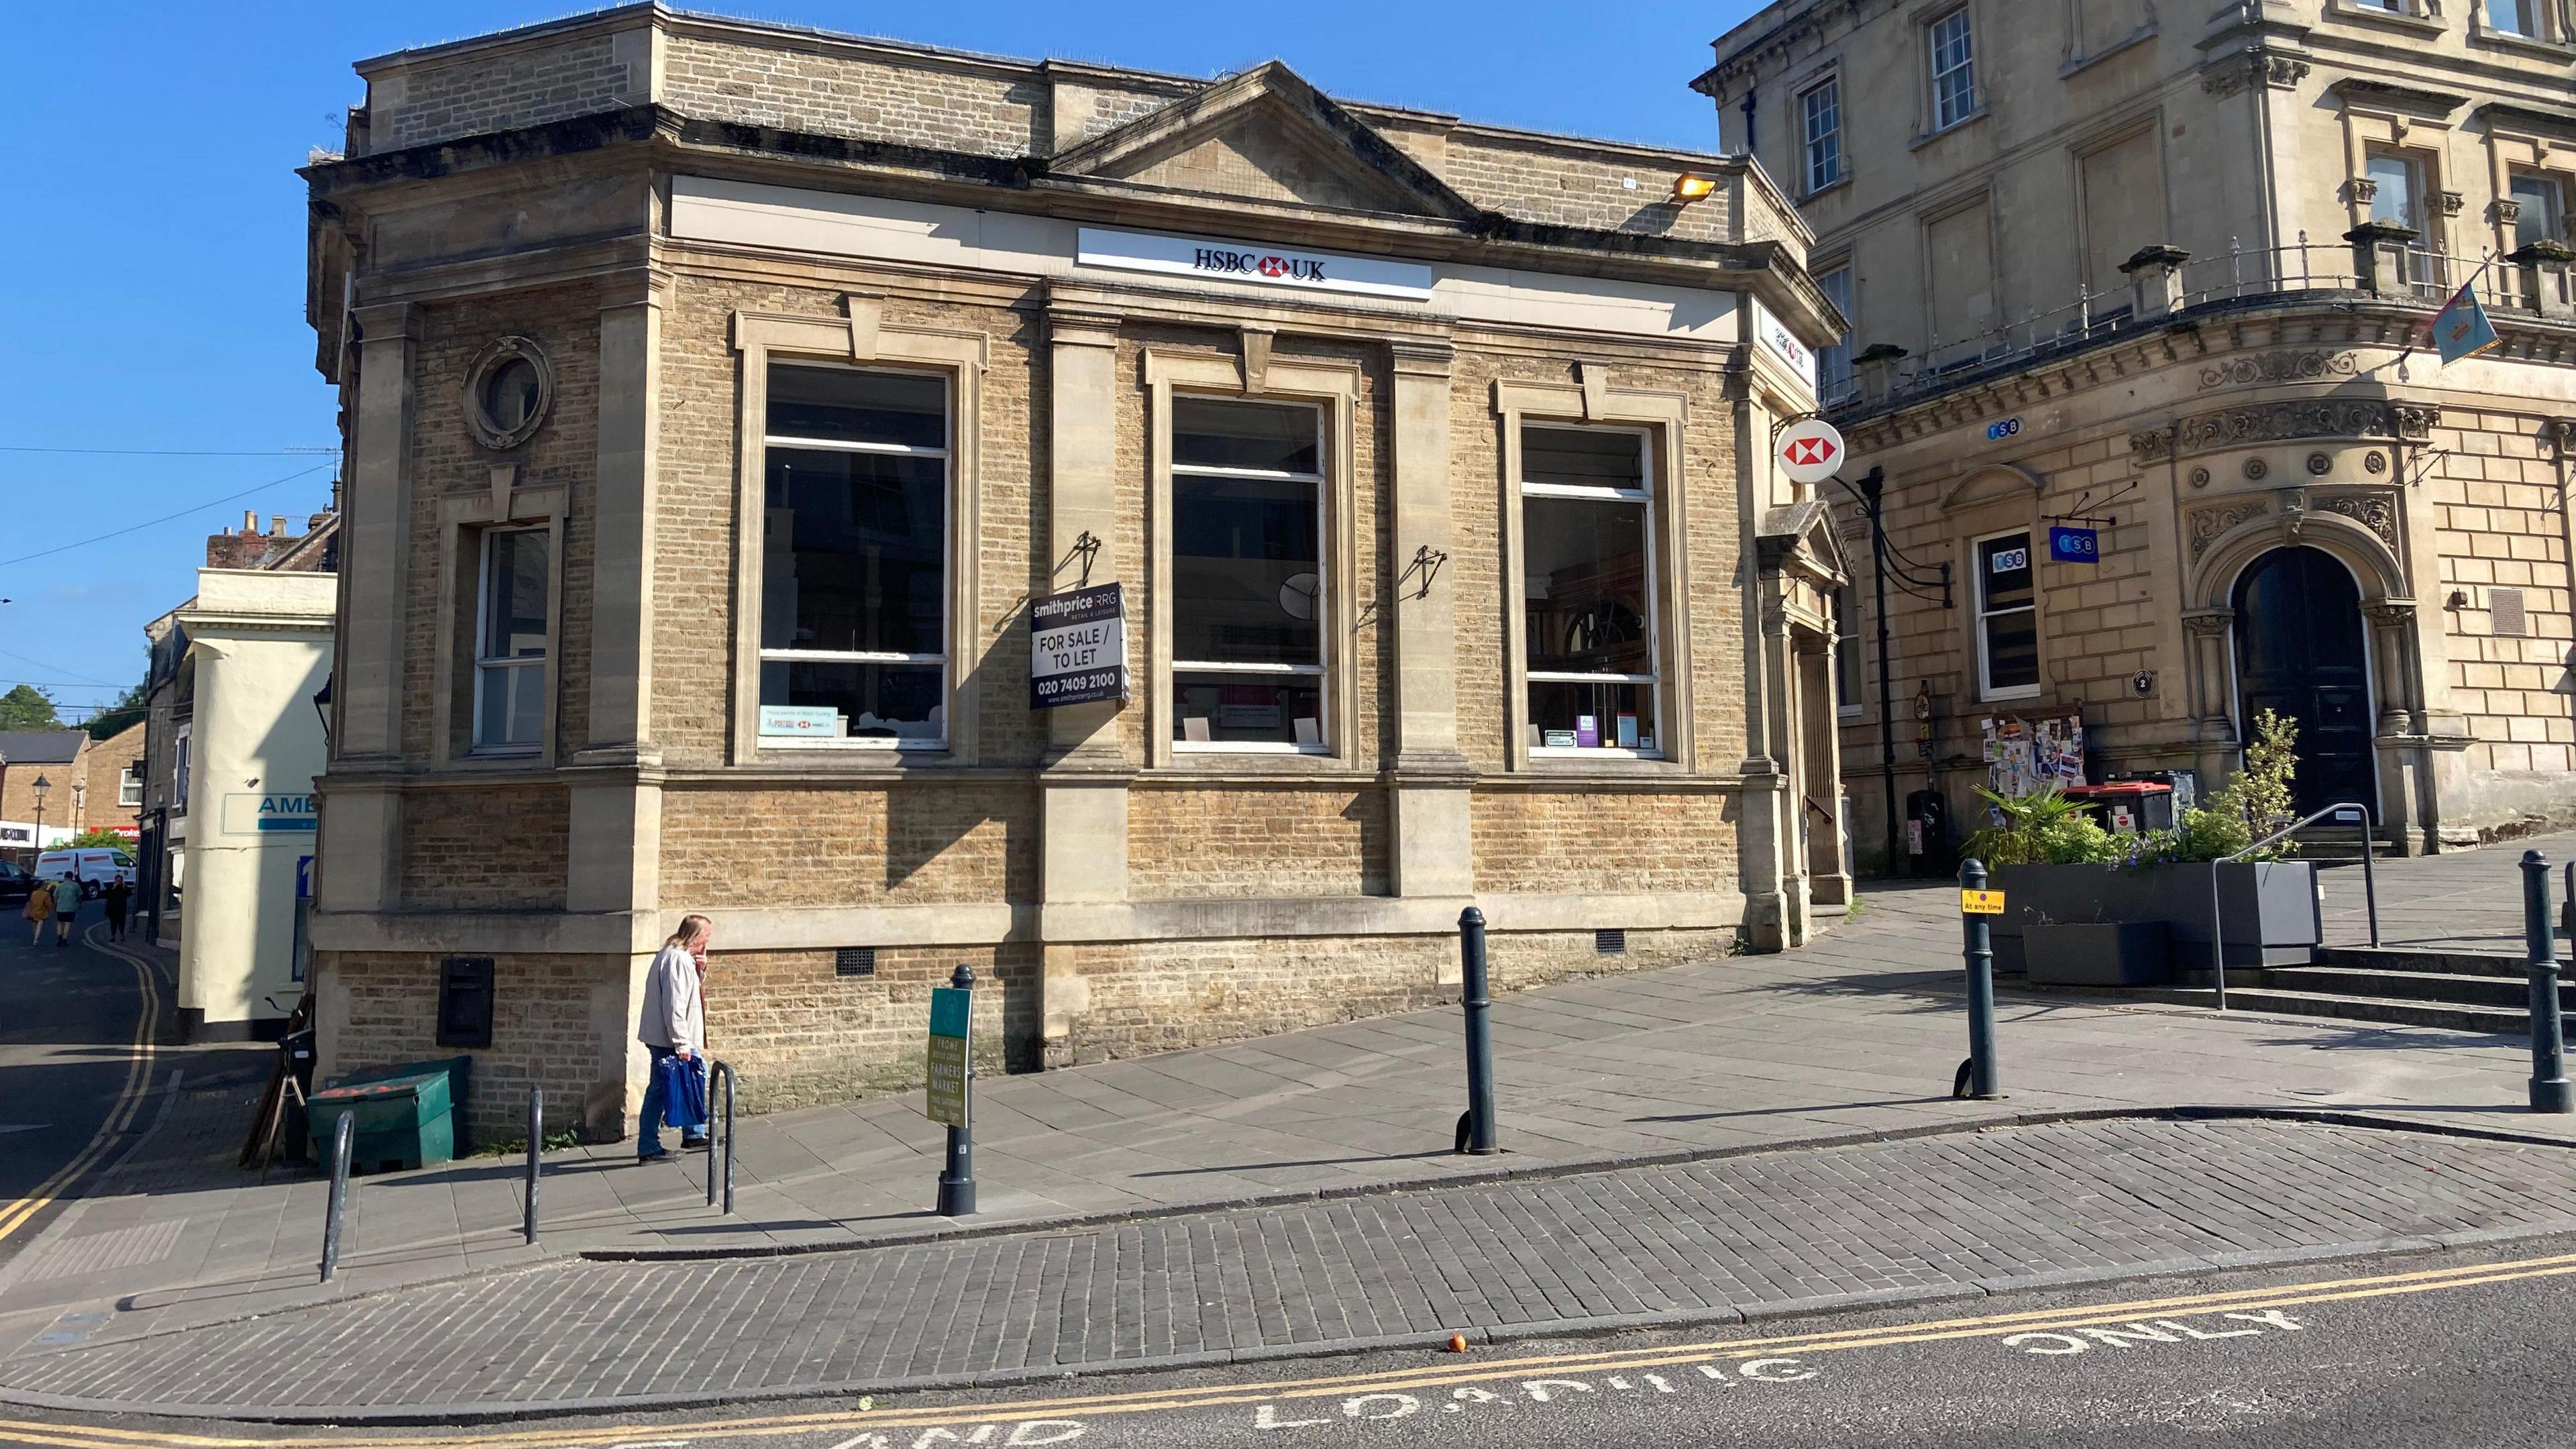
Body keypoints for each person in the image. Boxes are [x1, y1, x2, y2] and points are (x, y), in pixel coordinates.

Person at [635, 914, 713, 1162]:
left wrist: (700, 969)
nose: (707, 942)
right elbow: (675, 1003)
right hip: (669, 1039)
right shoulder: (676, 959)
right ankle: (648, 1146)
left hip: (673, 1037)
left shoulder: (680, 957)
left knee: (694, 1077)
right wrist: (681, 1043)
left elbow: (688, 992)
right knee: (659, 1091)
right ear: (697, 937)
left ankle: (694, 1132)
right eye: (706, 937)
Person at [21, 869, 52, 946]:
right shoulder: (46, 894)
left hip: (34, 912)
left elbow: (31, 902)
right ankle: (36, 939)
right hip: (42, 912)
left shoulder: (34, 893)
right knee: (40, 926)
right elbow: (49, 904)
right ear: (42, 886)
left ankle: (36, 937)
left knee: (34, 925)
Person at [50, 871, 80, 947]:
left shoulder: (60, 886)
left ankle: (59, 938)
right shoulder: (76, 886)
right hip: (71, 907)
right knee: (68, 924)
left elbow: (55, 897)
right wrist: (80, 905)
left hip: (60, 907)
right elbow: (80, 896)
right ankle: (65, 940)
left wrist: (55, 905)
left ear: (65, 877)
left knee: (60, 923)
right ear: (72, 877)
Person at [101, 875, 131, 943]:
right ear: (115, 880)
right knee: (113, 923)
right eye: (117, 880)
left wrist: (125, 887)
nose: (119, 882)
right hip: (113, 909)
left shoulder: (124, 888)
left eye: (120, 880)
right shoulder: (111, 887)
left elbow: (129, 893)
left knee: (122, 923)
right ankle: (113, 936)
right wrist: (113, 888)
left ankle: (122, 935)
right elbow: (106, 895)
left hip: (121, 908)